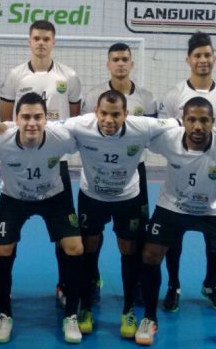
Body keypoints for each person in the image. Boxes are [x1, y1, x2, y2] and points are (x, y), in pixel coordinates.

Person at [136, 97, 216, 348]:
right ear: (183, 121)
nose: (197, 126)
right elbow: (138, 135)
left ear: (213, 122)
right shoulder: (169, 139)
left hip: (212, 210)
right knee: (150, 254)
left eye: (204, 120)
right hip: (172, 206)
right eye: (191, 120)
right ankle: (149, 318)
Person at [64, 90, 171, 339]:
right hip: (92, 196)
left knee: (128, 248)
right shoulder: (80, 125)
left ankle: (128, 310)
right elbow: (46, 126)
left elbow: (177, 124)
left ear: (126, 114)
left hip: (127, 197)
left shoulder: (142, 126)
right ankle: (86, 307)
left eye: (115, 114)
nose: (109, 120)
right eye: (103, 113)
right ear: (95, 112)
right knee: (89, 247)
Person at [0, 93, 84, 344]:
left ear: (46, 119)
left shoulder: (60, 137)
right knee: (3, 249)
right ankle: (5, 314)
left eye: (38, 117)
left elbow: (83, 130)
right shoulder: (1, 141)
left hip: (53, 196)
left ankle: (71, 315)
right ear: (16, 119)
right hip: (14, 198)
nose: (32, 123)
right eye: (25, 117)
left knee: (75, 247)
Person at [0, 20, 81, 308]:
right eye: (36, 38)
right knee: (6, 240)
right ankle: (2, 292)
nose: (41, 43)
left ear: (54, 41)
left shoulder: (69, 76)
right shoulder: (15, 76)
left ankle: (64, 286)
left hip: (55, 161)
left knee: (65, 237)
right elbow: (7, 120)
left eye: (46, 38)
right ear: (29, 41)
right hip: (21, 161)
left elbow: (73, 121)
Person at [157, 32, 216, 313]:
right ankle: (173, 285)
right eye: (197, 55)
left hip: (215, 177)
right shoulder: (173, 95)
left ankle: (211, 284)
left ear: (214, 58)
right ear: (188, 60)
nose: (202, 60)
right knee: (174, 237)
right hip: (180, 175)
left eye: (207, 55)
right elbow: (164, 133)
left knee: (215, 239)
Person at [81, 42, 157, 308]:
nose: (121, 63)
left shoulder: (146, 98)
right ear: (108, 64)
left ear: (132, 63)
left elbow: (156, 133)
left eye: (125, 59)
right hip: (98, 171)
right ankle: (92, 280)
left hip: (134, 171)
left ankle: (136, 284)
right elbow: (84, 131)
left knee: (136, 233)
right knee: (91, 235)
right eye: (116, 59)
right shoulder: (94, 96)